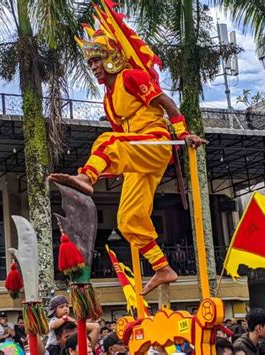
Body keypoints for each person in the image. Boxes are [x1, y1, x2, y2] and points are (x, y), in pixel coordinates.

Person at [48, 24, 205, 296]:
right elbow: (122, 139)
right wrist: (117, 163)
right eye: (91, 62)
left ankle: (87, 177)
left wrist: (184, 133)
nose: (94, 66)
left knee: (105, 141)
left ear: (113, 57)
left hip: (156, 143)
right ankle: (162, 267)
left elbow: (165, 102)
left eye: (97, 60)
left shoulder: (131, 77)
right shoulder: (108, 100)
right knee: (129, 219)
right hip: (139, 153)